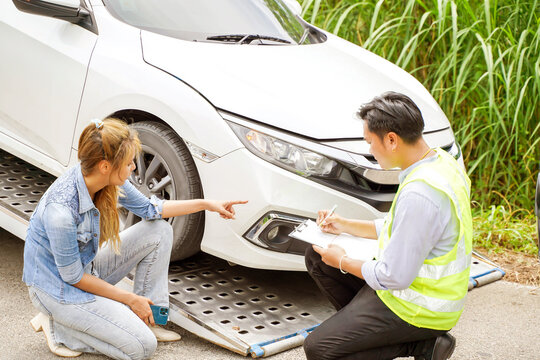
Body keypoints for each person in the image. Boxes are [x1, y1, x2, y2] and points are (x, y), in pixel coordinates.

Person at [23, 118, 247, 359]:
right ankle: (59, 329)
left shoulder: (105, 180)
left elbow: (152, 209)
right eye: (129, 163)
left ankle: (149, 318)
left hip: (86, 270)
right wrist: (129, 299)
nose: (132, 167)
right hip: (58, 291)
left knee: (159, 230)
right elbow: (74, 278)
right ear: (105, 166)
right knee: (141, 347)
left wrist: (208, 205)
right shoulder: (61, 212)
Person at [303, 92, 472, 360]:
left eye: (370, 142)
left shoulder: (420, 193)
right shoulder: (439, 163)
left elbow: (393, 277)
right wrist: (344, 225)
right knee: (317, 255)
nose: (369, 149)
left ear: (391, 139)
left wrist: (343, 261)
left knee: (320, 349)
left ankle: (421, 345)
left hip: (419, 307)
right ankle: (365, 335)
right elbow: (400, 227)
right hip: (412, 290)